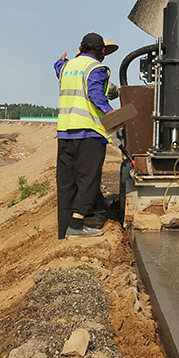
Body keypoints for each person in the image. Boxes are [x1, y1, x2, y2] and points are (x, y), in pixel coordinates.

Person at [54, 33, 118, 239]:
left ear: (80, 49)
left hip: (65, 133)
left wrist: (61, 60)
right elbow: (95, 93)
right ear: (101, 53)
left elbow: (58, 67)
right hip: (88, 133)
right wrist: (109, 111)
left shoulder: (66, 68)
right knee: (88, 180)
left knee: (66, 184)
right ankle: (76, 225)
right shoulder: (96, 69)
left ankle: (64, 230)